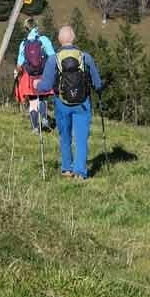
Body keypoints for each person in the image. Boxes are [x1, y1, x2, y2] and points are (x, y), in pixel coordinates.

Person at [40, 25, 105, 181]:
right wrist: (99, 88)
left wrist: (37, 85)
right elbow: (97, 83)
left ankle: (67, 169)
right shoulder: (85, 57)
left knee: (65, 136)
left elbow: (45, 86)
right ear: (73, 38)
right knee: (81, 138)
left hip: (61, 104)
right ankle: (80, 172)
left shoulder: (53, 59)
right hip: (82, 103)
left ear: (59, 40)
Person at [13, 22, 56, 132]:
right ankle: (44, 119)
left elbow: (19, 64)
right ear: (36, 27)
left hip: (30, 76)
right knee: (43, 98)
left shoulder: (23, 44)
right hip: (43, 73)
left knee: (33, 102)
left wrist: (17, 73)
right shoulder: (43, 40)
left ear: (26, 29)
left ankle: (35, 128)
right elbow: (52, 56)